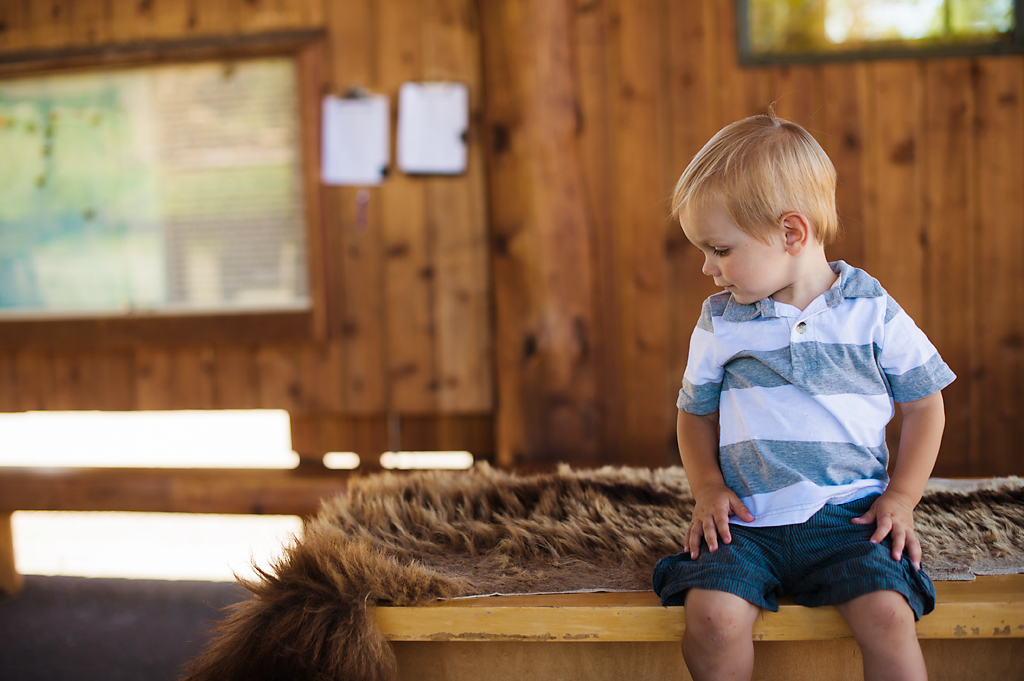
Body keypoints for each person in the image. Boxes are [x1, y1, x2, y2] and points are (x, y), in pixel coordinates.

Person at [652, 111, 954, 681]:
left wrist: (903, 498)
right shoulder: (721, 321)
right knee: (712, 617)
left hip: (851, 517)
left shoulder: (871, 307)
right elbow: (693, 415)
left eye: (720, 249)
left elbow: (924, 404)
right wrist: (709, 489)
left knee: (890, 615)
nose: (707, 267)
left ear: (791, 234)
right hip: (747, 522)